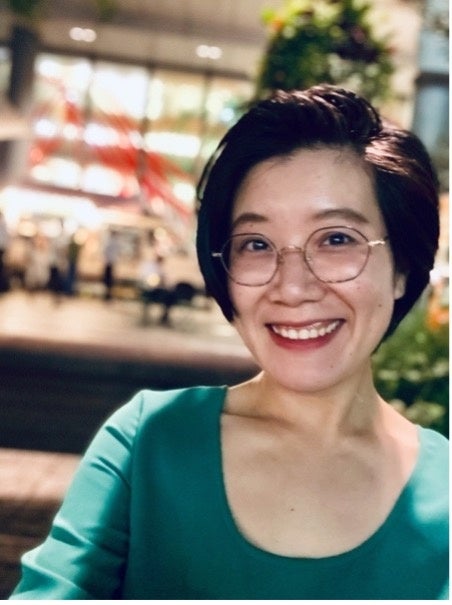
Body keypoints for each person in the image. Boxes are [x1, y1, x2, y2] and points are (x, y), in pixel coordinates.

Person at [9, 85, 448, 600]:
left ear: (402, 269)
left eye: (336, 239)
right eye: (256, 244)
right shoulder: (149, 442)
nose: (292, 288)